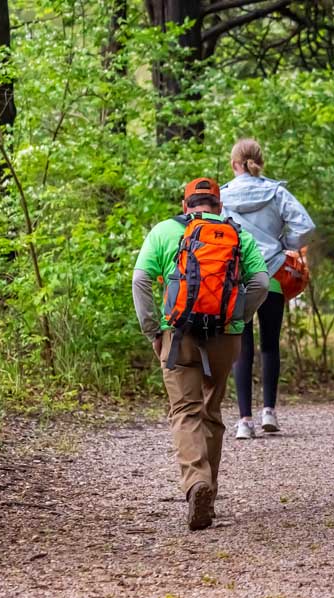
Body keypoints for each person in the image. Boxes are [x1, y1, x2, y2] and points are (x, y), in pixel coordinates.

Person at [132, 178, 270, 530]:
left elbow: (140, 281)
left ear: (185, 205)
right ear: (219, 206)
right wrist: (237, 316)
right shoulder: (238, 235)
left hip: (177, 336)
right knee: (211, 409)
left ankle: (197, 484)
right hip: (225, 337)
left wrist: (153, 331)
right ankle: (209, 490)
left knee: (185, 410)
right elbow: (261, 284)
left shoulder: (164, 231)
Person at [220, 138, 316, 438]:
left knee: (242, 347)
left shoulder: (222, 196)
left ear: (235, 163)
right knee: (270, 344)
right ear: (260, 161)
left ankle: (245, 421)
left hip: (238, 278)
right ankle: (269, 412)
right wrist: (283, 245)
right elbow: (306, 227)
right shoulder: (277, 192)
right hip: (272, 273)